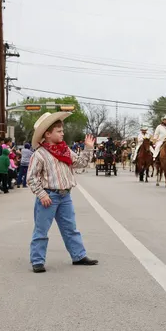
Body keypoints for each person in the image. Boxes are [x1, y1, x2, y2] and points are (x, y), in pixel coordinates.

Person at [26, 111, 98, 273]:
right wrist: (42, 194)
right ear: (48, 134)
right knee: (41, 230)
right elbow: (31, 177)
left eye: (62, 130)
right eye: (59, 131)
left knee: (70, 228)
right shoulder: (40, 154)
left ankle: (78, 256)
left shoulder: (65, 151)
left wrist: (88, 148)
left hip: (65, 195)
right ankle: (37, 260)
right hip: (49, 197)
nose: (62, 133)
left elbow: (80, 163)